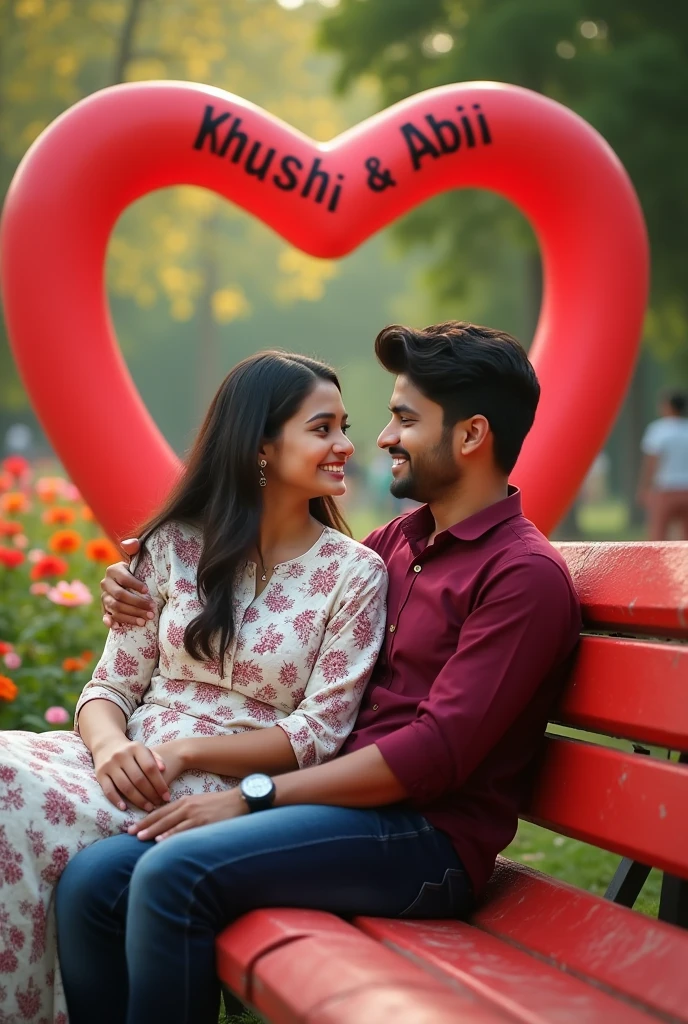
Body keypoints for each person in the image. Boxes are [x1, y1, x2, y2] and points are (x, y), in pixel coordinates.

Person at [57, 321, 582, 1024]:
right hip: (337, 814)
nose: (384, 439)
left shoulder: (522, 577)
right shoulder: (402, 541)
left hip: (422, 841)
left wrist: (253, 796)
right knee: (92, 881)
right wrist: (139, 579)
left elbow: (434, 756)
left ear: (470, 435)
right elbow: (279, 585)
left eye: (404, 419)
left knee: (175, 875)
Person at [0, 352, 388, 1024]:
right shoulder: (175, 546)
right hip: (128, 768)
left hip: (221, 794)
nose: (346, 445)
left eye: (344, 427)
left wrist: (186, 756)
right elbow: (109, 686)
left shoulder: (354, 575)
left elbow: (318, 736)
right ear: (261, 446)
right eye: (322, 428)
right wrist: (109, 750)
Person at [637, 390, 688, 539]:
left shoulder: (658, 430)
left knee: (658, 537)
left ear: (668, 407)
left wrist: (644, 488)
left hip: (665, 488)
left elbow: (652, 461)